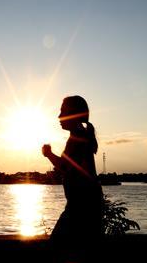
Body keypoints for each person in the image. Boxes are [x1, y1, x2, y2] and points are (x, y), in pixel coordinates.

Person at [41, 95, 104, 248]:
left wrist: (48, 154)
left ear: (74, 114)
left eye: (63, 112)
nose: (59, 116)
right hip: (85, 204)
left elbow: (64, 166)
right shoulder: (80, 135)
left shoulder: (78, 138)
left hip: (81, 207)